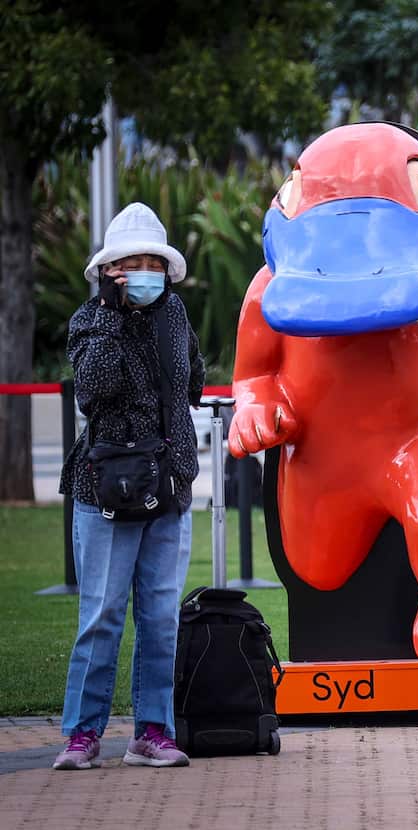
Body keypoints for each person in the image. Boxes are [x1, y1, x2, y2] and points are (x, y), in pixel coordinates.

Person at [54, 203, 205, 770]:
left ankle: (152, 732)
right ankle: (82, 734)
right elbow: (93, 389)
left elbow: (193, 380)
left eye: (151, 262)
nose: (142, 270)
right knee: (102, 614)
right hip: (105, 489)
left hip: (169, 485)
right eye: (130, 263)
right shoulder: (89, 320)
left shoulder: (175, 316)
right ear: (108, 270)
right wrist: (116, 317)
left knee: (161, 617)